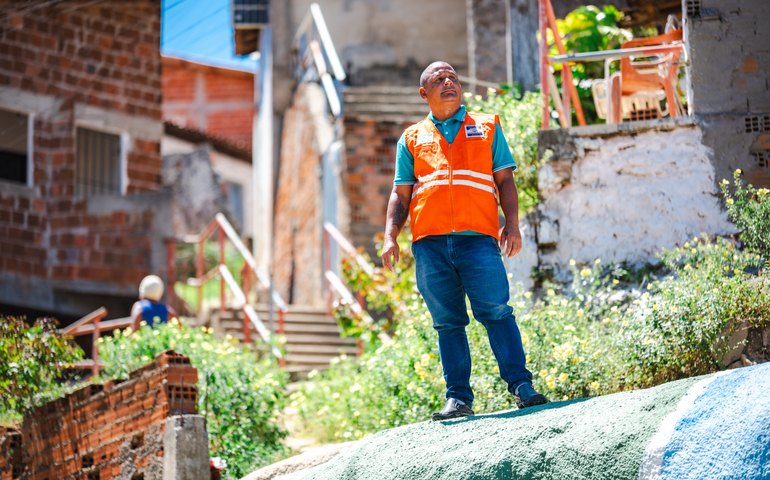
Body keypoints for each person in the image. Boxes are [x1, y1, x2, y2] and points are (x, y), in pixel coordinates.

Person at [381, 61, 547, 420]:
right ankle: (457, 399)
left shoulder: (487, 127)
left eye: (452, 77)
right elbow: (401, 193)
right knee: (447, 323)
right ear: (424, 94)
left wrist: (513, 225)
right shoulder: (411, 137)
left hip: (478, 239)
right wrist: (389, 236)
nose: (448, 82)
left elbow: (505, 181)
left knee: (497, 312)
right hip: (430, 245)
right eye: (438, 80)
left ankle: (522, 386)